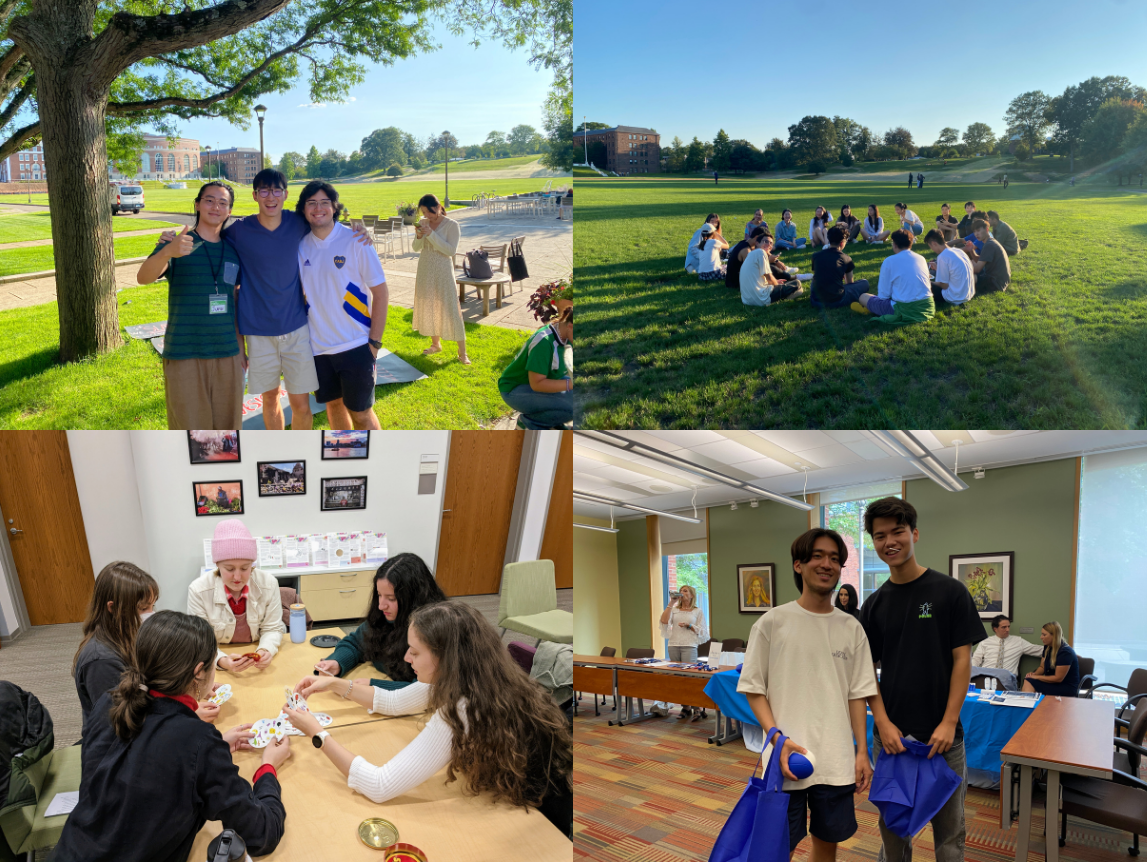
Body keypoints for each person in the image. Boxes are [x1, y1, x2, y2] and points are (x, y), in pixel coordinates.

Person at [289, 601, 573, 837]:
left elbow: (379, 785)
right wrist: (335, 684)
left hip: (542, 817)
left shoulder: (464, 708)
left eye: (415, 651)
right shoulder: (474, 676)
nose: (406, 657)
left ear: (445, 657)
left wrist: (317, 734)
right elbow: (393, 701)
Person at [52, 611, 288, 862]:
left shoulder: (109, 701)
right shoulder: (197, 739)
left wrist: (206, 756)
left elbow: (139, 764)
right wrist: (267, 768)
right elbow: (261, 833)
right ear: (199, 672)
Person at [858, 497, 987, 862]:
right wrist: (881, 722)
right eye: (880, 535)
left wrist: (948, 722)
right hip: (892, 740)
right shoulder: (876, 603)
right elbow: (864, 669)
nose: (889, 542)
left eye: (897, 531)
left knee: (949, 837)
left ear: (914, 533)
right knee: (895, 833)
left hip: (943, 740)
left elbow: (963, 659)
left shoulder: (948, 592)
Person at [738, 529, 877, 862]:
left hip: (836, 758)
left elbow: (858, 694)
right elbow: (754, 690)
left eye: (834, 558)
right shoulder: (773, 623)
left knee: (827, 845)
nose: (827, 564)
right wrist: (777, 739)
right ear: (798, 565)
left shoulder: (851, 628)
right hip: (785, 760)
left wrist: (862, 752)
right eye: (817, 556)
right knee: (777, 847)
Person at [136, 182, 243, 430]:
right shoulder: (178, 244)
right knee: (192, 434)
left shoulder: (232, 251)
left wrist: (240, 347)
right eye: (209, 200)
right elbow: (143, 278)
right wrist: (166, 252)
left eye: (223, 202)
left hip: (227, 353)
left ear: (229, 211)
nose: (215, 206)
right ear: (197, 204)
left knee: (228, 433)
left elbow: (234, 300)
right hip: (185, 352)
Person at [220, 169, 318, 431]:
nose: (270, 197)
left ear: (285, 194)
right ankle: (278, 454)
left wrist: (357, 227)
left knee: (301, 405)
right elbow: (209, 237)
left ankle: (300, 456)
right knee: (271, 398)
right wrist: (172, 241)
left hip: (296, 328)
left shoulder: (298, 223)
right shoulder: (239, 231)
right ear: (254, 196)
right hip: (258, 333)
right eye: (264, 190)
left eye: (276, 190)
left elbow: (328, 224)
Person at [295, 181, 388, 431]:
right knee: (333, 407)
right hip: (318, 349)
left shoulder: (356, 239)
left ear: (334, 207)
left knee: (361, 414)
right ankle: (348, 458)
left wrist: (374, 344)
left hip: (356, 345)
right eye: (311, 203)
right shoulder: (300, 246)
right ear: (303, 209)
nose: (318, 208)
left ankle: (379, 464)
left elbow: (381, 292)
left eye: (325, 202)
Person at [74, 562, 176, 740]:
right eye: (143, 609)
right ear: (113, 608)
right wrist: (179, 719)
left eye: (152, 606)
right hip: (117, 748)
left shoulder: (127, 636)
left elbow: (147, 681)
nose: (150, 614)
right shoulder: (101, 661)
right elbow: (120, 725)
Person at [313, 552, 448, 686]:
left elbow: (426, 690)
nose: (381, 605)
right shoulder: (384, 618)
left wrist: (374, 687)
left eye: (391, 599)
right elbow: (356, 642)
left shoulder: (435, 629)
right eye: (379, 595)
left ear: (413, 599)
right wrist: (337, 662)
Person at [187, 519, 285, 672]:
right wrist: (221, 660)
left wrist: (265, 650)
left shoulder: (269, 583)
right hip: (218, 658)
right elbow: (200, 641)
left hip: (256, 660)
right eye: (230, 569)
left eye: (245, 568)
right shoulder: (198, 590)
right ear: (217, 565)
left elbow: (272, 628)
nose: (237, 577)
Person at [412, 193, 469, 364]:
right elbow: (415, 248)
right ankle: (435, 344)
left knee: (451, 307)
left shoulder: (452, 225)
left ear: (437, 208)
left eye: (429, 212)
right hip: (425, 267)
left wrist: (431, 234)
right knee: (430, 304)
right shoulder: (422, 223)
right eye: (423, 212)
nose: (426, 216)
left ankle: (463, 352)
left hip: (443, 268)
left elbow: (450, 251)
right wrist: (420, 236)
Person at [499, 306, 573, 429]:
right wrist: (570, 384)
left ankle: (553, 423)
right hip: (515, 389)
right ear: (570, 325)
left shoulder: (566, 334)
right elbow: (537, 384)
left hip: (544, 382)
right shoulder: (544, 342)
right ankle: (530, 423)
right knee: (573, 408)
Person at [650, 585, 709, 719]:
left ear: (691, 595)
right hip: (674, 645)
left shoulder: (697, 611)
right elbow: (664, 621)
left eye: (685, 591)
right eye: (681, 590)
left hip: (689, 645)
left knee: (690, 677)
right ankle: (685, 708)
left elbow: (703, 631)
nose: (682, 593)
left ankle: (697, 708)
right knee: (679, 677)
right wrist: (671, 602)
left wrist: (689, 626)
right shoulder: (674, 610)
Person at [852, 230, 935, 325]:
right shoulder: (921, 258)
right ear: (910, 244)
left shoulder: (889, 261)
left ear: (894, 244)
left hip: (903, 309)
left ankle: (869, 309)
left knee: (863, 297)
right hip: (927, 306)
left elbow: (883, 295)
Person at [810, 226, 870, 309]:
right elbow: (849, 283)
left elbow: (819, 274)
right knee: (864, 283)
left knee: (814, 282)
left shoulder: (815, 255)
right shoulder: (846, 258)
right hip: (837, 300)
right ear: (842, 243)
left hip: (815, 300)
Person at [971, 615, 1044, 679]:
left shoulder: (1018, 641)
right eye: (1004, 627)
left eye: (1009, 626)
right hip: (986, 677)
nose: (1008, 630)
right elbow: (976, 659)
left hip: (1007, 678)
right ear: (995, 629)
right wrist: (971, 672)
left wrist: (1053, 649)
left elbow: (1039, 650)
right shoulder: (985, 642)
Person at [740, 232, 803, 307]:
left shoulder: (751, 254)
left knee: (789, 285)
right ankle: (781, 300)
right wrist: (776, 285)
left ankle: (781, 296)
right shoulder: (761, 252)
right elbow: (769, 278)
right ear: (757, 243)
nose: (769, 245)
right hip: (761, 299)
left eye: (771, 243)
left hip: (747, 300)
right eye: (765, 241)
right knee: (797, 284)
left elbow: (760, 277)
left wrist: (776, 281)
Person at [1022, 621, 1081, 696]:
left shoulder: (1065, 652)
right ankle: (1027, 704)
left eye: (1044, 635)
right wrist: (1033, 674)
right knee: (1028, 679)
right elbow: (1042, 667)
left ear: (1054, 636)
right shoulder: (1048, 647)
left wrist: (1036, 677)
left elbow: (1058, 679)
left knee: (1030, 682)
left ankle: (1027, 705)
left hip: (1066, 687)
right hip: (1053, 684)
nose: (1041, 637)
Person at [924, 230, 975, 307]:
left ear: (934, 244)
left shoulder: (942, 256)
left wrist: (928, 280)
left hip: (954, 297)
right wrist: (938, 269)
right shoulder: (958, 251)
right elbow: (954, 273)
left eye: (931, 247)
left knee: (922, 283)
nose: (932, 250)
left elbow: (944, 285)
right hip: (967, 294)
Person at [962, 219, 1011, 293]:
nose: (976, 234)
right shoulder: (989, 242)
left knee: (968, 276)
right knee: (971, 264)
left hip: (996, 283)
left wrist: (959, 268)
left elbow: (977, 269)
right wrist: (971, 250)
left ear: (987, 229)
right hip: (1000, 280)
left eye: (978, 230)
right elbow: (980, 260)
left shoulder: (989, 245)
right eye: (974, 231)